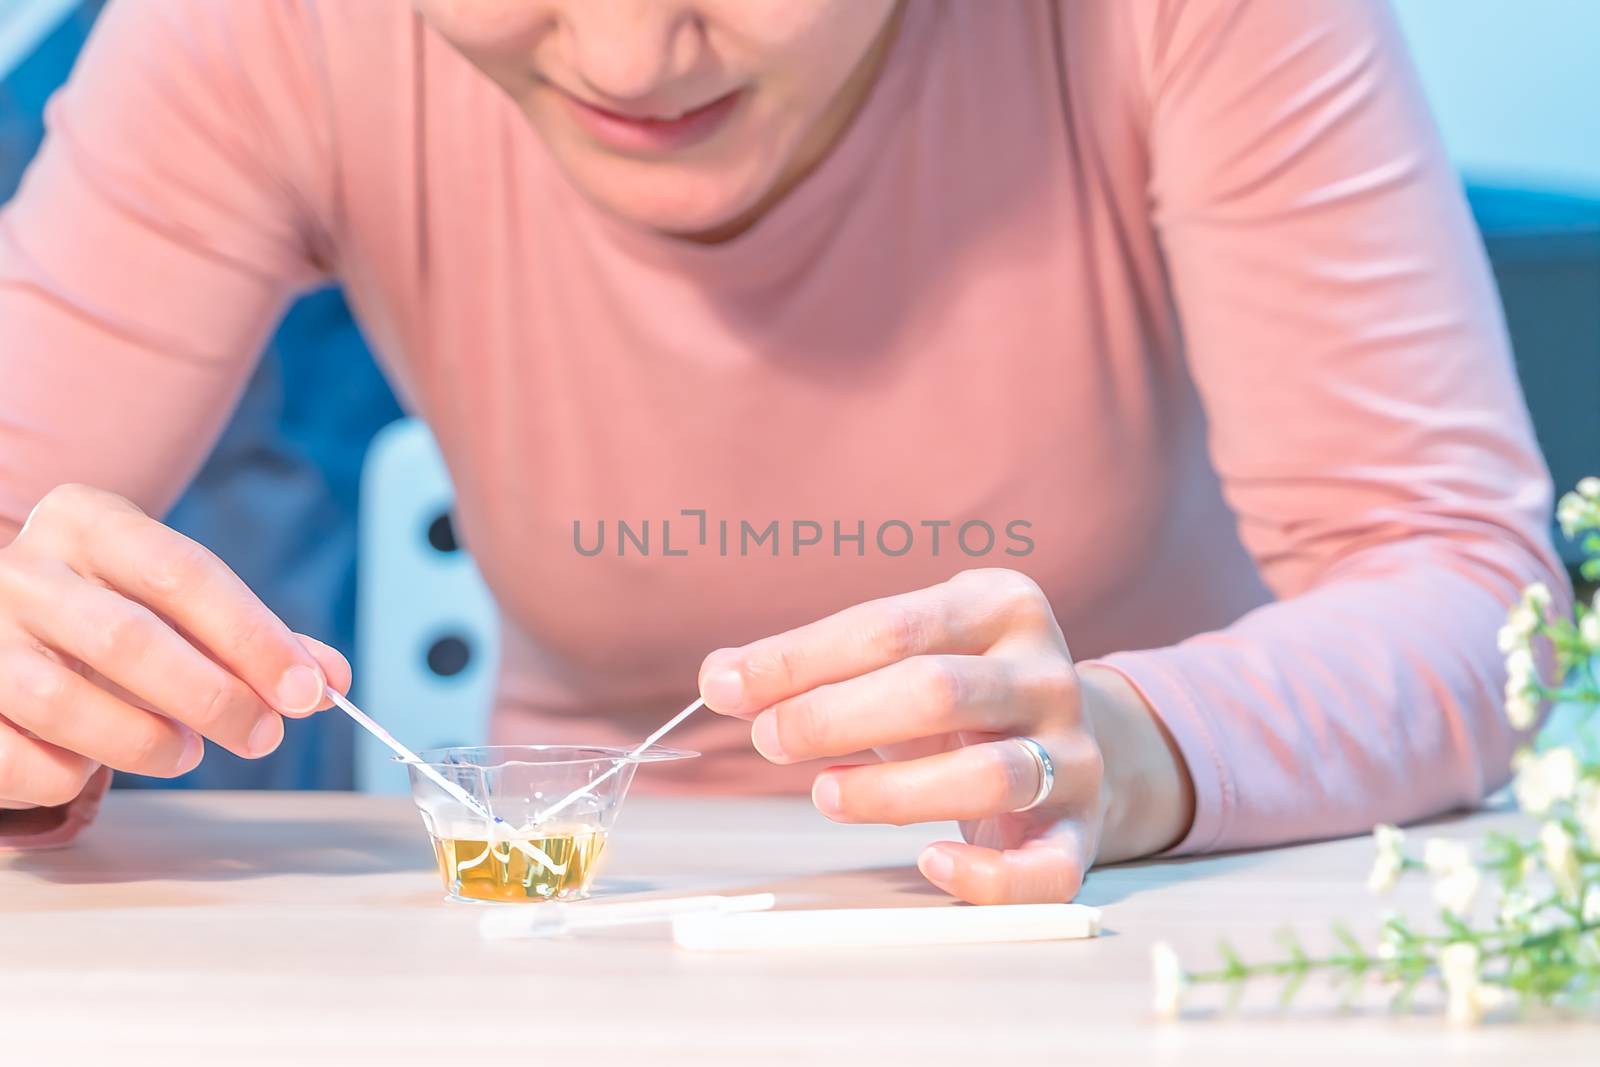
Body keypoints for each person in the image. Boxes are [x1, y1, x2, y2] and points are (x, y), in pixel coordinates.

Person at [0, 0, 1564, 904]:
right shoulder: (263, 28)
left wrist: (1132, 746)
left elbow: (1466, 592)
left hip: (1103, 927)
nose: (626, 56)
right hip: (592, 957)